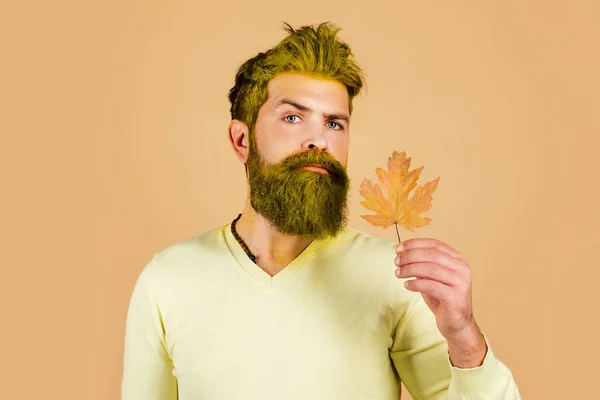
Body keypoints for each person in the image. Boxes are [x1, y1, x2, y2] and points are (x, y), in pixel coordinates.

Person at [121, 22, 522, 399]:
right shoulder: (167, 280)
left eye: (334, 124)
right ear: (242, 139)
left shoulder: (394, 276)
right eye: (293, 117)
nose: (319, 140)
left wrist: (464, 336)